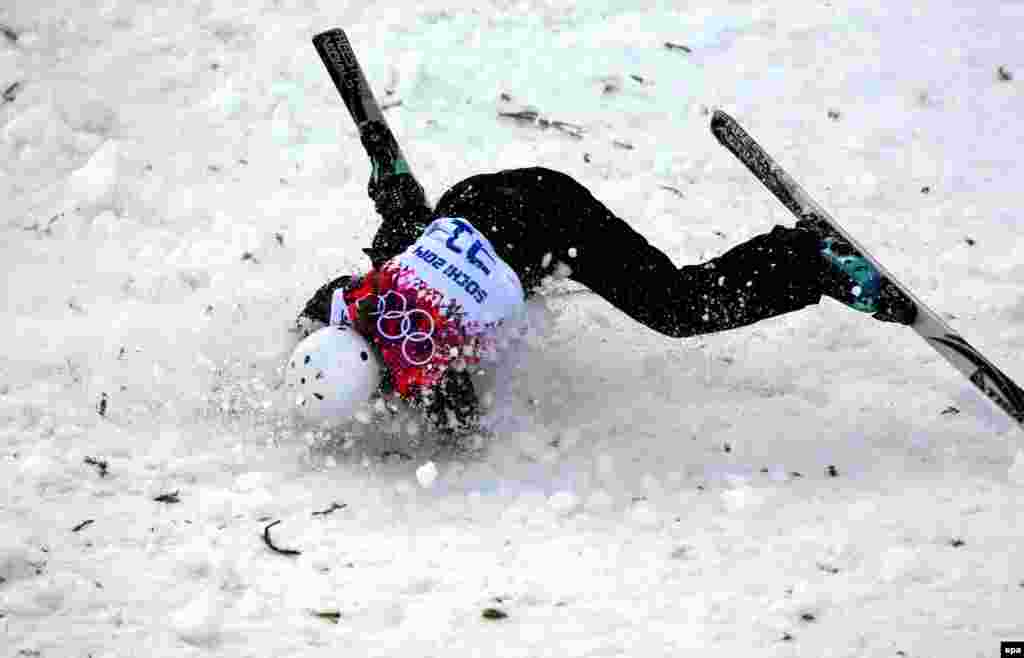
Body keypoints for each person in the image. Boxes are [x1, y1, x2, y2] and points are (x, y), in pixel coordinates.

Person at [287, 133, 915, 437]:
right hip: (473, 199)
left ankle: (809, 260)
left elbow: (460, 431)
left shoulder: (432, 374)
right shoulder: (350, 300)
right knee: (399, 247)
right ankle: (396, 188)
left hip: (551, 220)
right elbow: (318, 312)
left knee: (678, 306)